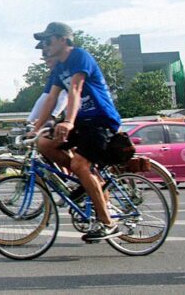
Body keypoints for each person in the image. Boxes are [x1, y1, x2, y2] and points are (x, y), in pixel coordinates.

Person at [31, 22, 123, 242]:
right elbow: (52, 99)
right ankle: (84, 183)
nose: (45, 46)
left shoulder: (79, 56)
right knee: (43, 143)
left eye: (48, 40)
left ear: (64, 40)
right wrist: (33, 131)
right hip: (82, 122)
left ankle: (107, 222)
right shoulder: (59, 68)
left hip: (101, 121)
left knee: (79, 164)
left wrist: (69, 121)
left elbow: (75, 88)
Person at [27, 41, 68, 124]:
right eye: (44, 56)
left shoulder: (67, 68)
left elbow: (65, 95)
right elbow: (45, 97)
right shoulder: (55, 74)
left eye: (49, 55)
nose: (47, 59)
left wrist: (53, 116)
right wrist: (30, 121)